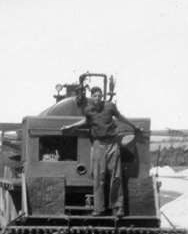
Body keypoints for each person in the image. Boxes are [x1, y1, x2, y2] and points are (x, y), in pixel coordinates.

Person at [61, 78, 143, 217]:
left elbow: (121, 117)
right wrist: (71, 126)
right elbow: (87, 121)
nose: (98, 98)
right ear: (91, 98)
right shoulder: (88, 110)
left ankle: (118, 207)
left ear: (102, 97)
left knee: (116, 176)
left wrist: (133, 126)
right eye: (95, 96)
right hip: (98, 145)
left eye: (100, 96)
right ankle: (99, 209)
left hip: (112, 144)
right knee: (99, 177)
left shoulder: (110, 106)